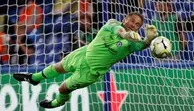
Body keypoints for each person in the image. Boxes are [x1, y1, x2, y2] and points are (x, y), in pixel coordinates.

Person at [13, 12, 158, 109]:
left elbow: (142, 45)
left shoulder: (132, 44)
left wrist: (149, 39)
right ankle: (34, 78)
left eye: (137, 24)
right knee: (58, 67)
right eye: (132, 20)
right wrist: (127, 34)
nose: (134, 24)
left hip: (91, 72)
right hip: (84, 53)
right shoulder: (113, 23)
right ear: (125, 19)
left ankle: (57, 102)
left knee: (63, 88)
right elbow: (117, 30)